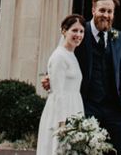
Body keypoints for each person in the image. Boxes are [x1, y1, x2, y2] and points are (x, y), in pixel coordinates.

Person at [41, 0, 121, 155]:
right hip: (88, 106)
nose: (106, 15)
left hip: (115, 110)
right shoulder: (80, 34)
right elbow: (63, 56)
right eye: (102, 10)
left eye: (110, 12)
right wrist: (51, 78)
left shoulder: (118, 37)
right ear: (93, 10)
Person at [36, 13, 86, 155]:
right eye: (74, 30)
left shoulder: (71, 54)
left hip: (74, 107)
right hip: (61, 112)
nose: (78, 35)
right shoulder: (59, 56)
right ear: (64, 31)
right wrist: (62, 123)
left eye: (81, 31)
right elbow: (58, 92)